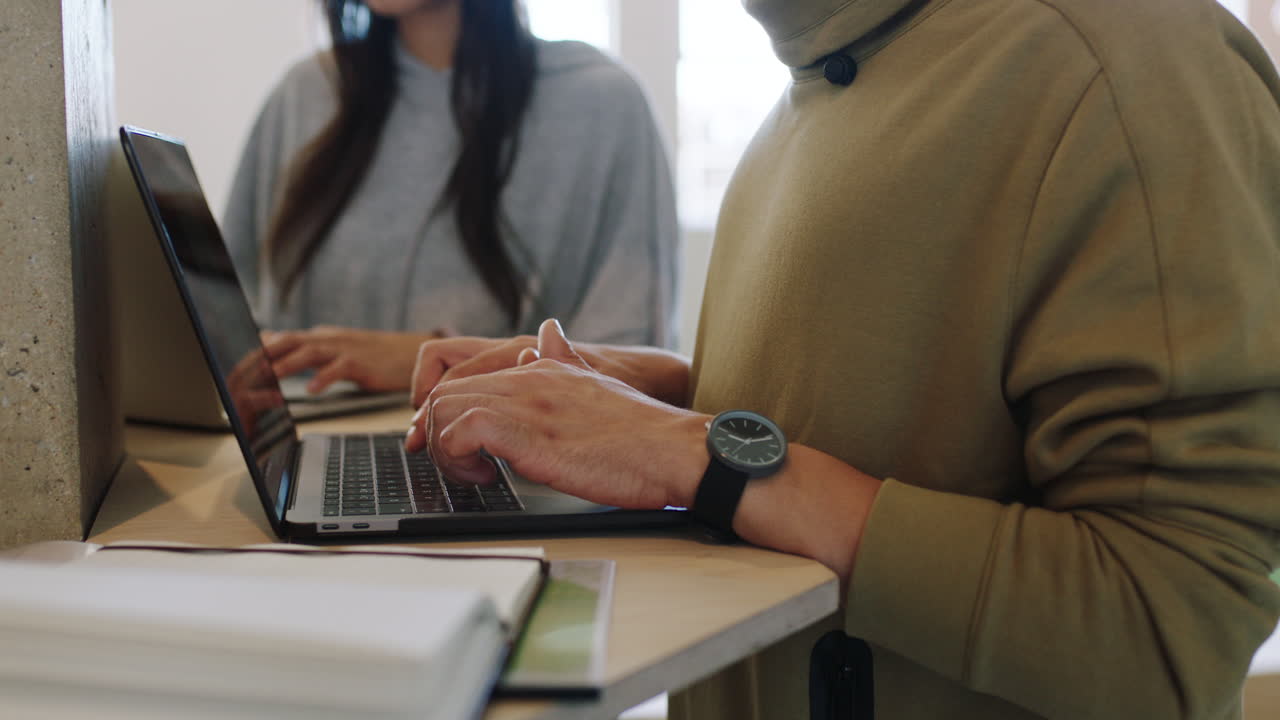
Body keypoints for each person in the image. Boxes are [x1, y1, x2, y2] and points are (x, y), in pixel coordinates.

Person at [403, 0, 1280, 717]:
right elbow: (906, 407)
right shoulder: (812, 84)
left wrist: (700, 450)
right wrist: (634, 398)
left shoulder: (1125, 68)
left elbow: (1170, 630)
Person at [222, 0, 678, 395]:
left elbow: (633, 368)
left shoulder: (602, 105)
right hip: (304, 465)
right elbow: (227, 326)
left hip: (507, 471)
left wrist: (434, 360)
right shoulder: (305, 94)